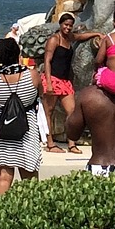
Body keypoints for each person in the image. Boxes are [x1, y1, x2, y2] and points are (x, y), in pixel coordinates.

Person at [0, 37, 45, 194]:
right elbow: (41, 94)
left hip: (1, 131)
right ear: (17, 54)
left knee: (3, 177)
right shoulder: (33, 75)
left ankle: (1, 214)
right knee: (30, 177)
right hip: (26, 130)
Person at [40, 13, 82, 153]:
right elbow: (47, 61)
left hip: (65, 81)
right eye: (66, 25)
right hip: (52, 78)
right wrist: (49, 83)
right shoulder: (54, 39)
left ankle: (71, 143)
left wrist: (97, 35)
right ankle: (50, 143)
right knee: (48, 112)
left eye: (70, 25)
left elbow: (81, 37)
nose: (68, 28)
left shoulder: (69, 38)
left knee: (72, 111)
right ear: (60, 24)